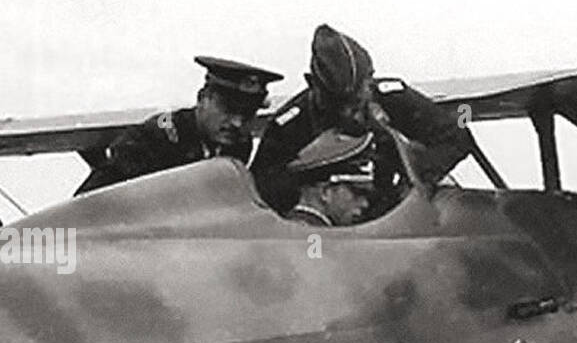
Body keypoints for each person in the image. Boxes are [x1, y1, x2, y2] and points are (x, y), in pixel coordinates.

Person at [251, 24, 471, 217]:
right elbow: (261, 187)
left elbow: (456, 137)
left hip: (393, 211)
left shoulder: (392, 97)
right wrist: (312, 182)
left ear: (370, 81)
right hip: (327, 230)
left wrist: (415, 172)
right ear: (312, 85)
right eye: (338, 103)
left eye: (356, 100)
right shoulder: (290, 124)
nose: (348, 112)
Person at [75, 56, 282, 195]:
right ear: (203, 100)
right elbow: (92, 201)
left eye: (247, 114)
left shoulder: (236, 144)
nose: (237, 123)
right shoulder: (155, 140)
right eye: (228, 111)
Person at [283, 129, 377, 227]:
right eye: (357, 193)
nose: (365, 204)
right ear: (325, 192)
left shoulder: (287, 229)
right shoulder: (312, 235)